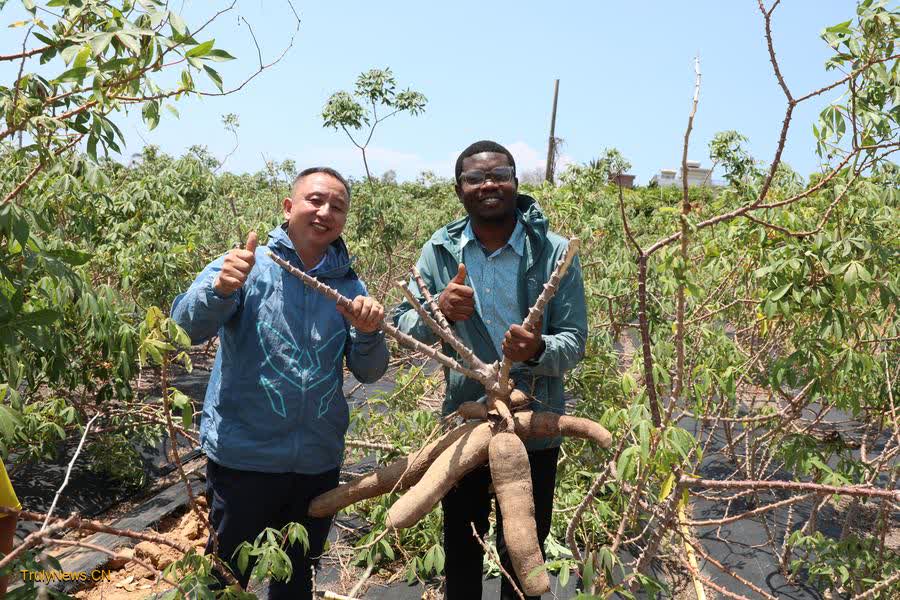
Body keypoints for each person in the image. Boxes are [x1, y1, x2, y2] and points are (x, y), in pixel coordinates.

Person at [171, 167, 389, 599]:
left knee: (295, 583)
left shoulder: (350, 286)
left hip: (315, 465)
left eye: (338, 206)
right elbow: (183, 328)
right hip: (244, 462)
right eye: (315, 200)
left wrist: (368, 333)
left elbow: (371, 372)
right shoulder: (246, 266)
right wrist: (218, 290)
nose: (325, 211)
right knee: (226, 580)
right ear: (288, 207)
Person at [394, 140, 587, 599]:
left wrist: (537, 348)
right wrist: (438, 308)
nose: (488, 185)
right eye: (475, 178)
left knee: (523, 548)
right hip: (468, 422)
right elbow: (403, 325)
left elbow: (575, 341)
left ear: (517, 182)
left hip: (533, 423)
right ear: (459, 189)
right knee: (461, 547)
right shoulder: (440, 251)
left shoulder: (555, 252)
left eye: (499, 174)